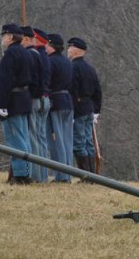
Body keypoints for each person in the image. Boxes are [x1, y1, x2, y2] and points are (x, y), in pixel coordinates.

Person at [0, 24, 33, 184]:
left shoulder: (11, 54)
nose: (2, 39)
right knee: (24, 138)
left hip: (13, 100)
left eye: (4, 35)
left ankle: (20, 175)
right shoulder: (25, 53)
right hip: (23, 98)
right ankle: (26, 173)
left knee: (15, 139)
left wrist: (1, 103)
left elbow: (5, 81)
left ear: (10, 37)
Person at [68, 37, 102, 174]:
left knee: (79, 143)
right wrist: (96, 110)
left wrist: (72, 110)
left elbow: (73, 91)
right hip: (89, 108)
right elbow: (98, 91)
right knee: (88, 142)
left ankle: (85, 175)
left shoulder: (73, 67)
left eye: (70, 48)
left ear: (76, 51)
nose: (68, 51)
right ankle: (92, 174)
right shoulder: (90, 69)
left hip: (79, 108)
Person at [22, 26, 51, 183]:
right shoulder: (43, 56)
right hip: (44, 98)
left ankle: (36, 175)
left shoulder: (34, 55)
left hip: (35, 98)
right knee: (40, 139)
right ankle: (43, 175)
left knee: (34, 138)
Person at [45, 33, 74, 182]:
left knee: (57, 141)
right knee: (67, 140)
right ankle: (67, 172)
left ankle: (61, 176)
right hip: (68, 101)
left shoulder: (50, 62)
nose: (45, 47)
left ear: (51, 46)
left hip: (55, 101)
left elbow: (47, 82)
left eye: (47, 45)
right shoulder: (67, 62)